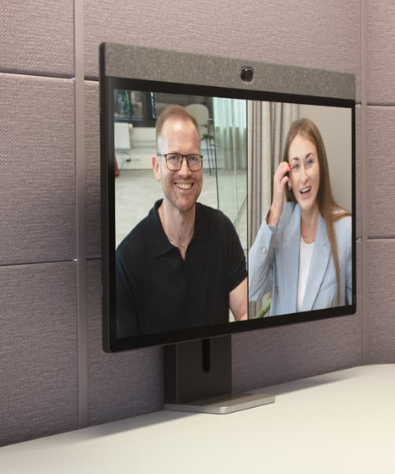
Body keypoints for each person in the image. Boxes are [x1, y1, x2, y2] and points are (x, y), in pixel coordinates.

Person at [115, 105, 248, 337]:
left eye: (193, 158)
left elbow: (244, 313)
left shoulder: (223, 230)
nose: (185, 171)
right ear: (156, 167)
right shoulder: (127, 260)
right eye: (174, 158)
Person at [248, 118, 352, 314]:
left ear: (322, 167)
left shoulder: (346, 231)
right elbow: (253, 289)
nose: (304, 177)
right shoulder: (279, 226)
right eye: (295, 166)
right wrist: (275, 211)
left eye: (309, 162)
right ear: (288, 177)